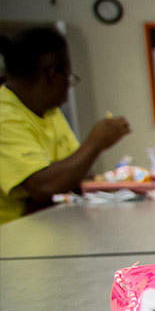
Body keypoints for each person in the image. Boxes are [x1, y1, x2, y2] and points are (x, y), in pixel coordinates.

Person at [0, 27, 130, 224]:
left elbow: (80, 173)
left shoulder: (49, 110)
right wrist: (96, 142)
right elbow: (45, 187)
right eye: (69, 78)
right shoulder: (4, 117)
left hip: (55, 233)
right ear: (53, 74)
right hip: (16, 246)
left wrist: (61, 181)